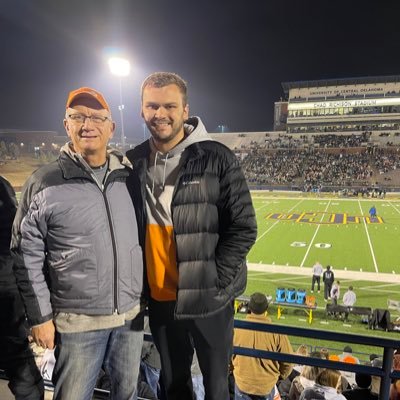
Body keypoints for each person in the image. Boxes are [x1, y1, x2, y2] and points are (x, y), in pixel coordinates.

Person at [126, 72, 257, 400]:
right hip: (160, 300)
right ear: (141, 110)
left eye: (170, 105)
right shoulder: (134, 161)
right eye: (152, 106)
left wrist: (213, 280)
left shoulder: (217, 156)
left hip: (208, 301)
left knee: (216, 388)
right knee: (173, 385)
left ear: (186, 110)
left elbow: (243, 227)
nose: (160, 114)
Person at [11, 87, 144, 400]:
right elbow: (25, 253)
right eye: (78, 117)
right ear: (66, 124)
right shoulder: (45, 181)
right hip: (78, 322)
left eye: (97, 117)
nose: (88, 124)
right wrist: (41, 318)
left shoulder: (129, 176)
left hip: (130, 316)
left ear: (111, 127)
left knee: (125, 395)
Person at [0, 176, 44, 400]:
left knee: (20, 365)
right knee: (20, 365)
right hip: (8, 292)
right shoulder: (3, 187)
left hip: (6, 293)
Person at [232, 292, 293, 400]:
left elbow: (226, 357)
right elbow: (288, 361)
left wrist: (233, 371)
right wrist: (279, 377)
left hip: (242, 384)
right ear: (266, 308)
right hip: (266, 387)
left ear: (249, 307)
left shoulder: (237, 329)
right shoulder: (277, 332)